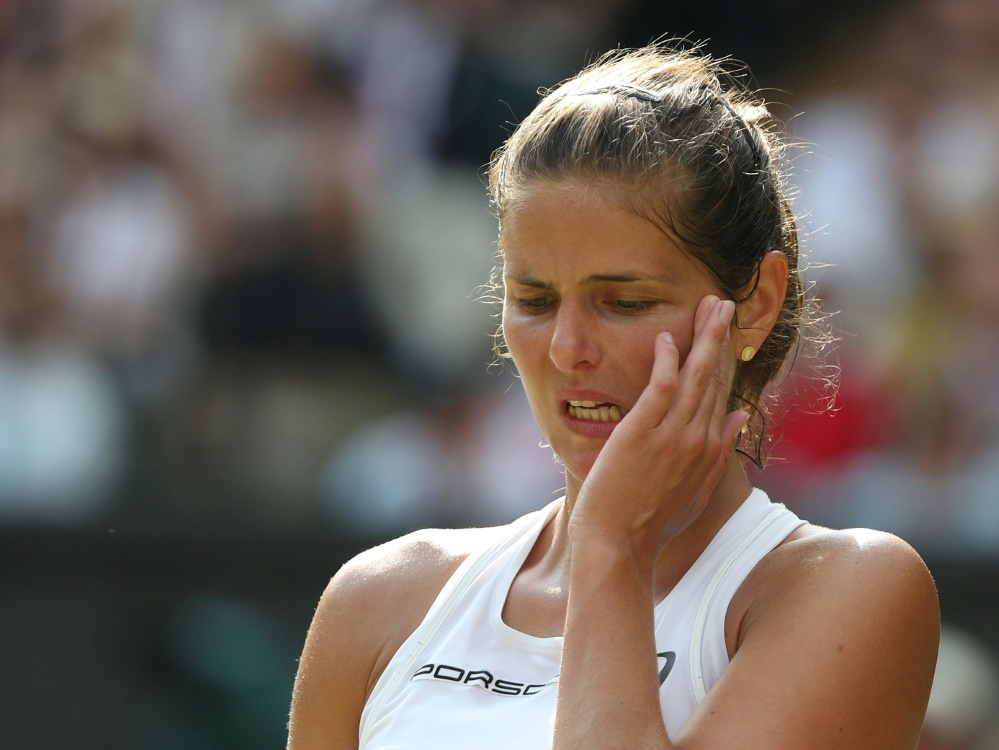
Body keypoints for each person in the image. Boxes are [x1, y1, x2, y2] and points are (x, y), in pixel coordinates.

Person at [286, 44, 940, 749]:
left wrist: (607, 543)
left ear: (755, 304)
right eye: (533, 299)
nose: (567, 348)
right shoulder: (379, 597)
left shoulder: (848, 588)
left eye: (624, 302)